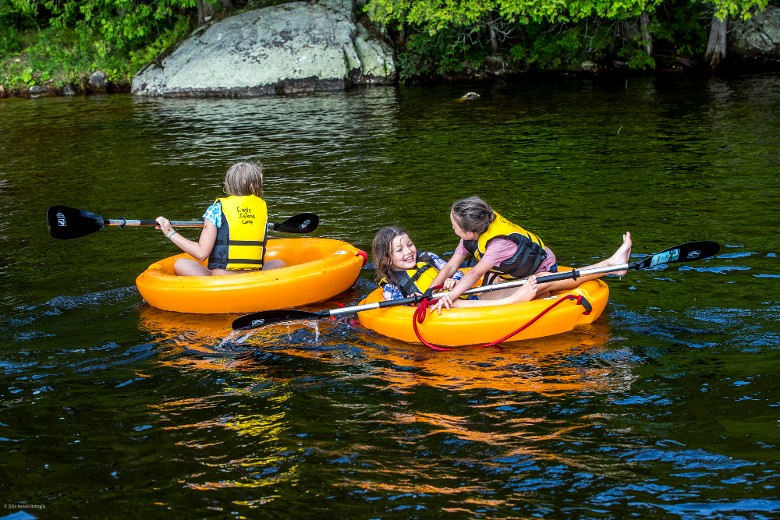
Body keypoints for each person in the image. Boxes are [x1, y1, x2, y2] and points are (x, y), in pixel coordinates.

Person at [429, 196, 632, 312]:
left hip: (541, 268)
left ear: (470, 232)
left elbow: (473, 274)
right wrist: (429, 293)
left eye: (454, 226)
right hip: (511, 274)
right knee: (481, 297)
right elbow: (450, 266)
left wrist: (451, 296)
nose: (453, 229)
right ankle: (541, 293)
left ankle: (611, 265)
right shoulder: (473, 233)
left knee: (541, 281)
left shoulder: (498, 243)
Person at [155, 161, 284, 276]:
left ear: (229, 185)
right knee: (279, 263)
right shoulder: (262, 210)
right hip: (252, 276)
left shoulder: (216, 210)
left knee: (181, 263)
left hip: (222, 279)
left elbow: (201, 253)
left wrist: (170, 232)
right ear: (256, 185)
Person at [371, 226, 538, 307]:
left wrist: (452, 279)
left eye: (410, 245)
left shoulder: (428, 258)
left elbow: (457, 273)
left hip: (468, 298)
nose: (408, 252)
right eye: (399, 250)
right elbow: (396, 303)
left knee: (537, 285)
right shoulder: (391, 284)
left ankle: (538, 290)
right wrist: (409, 301)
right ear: (386, 259)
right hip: (447, 309)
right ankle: (513, 301)